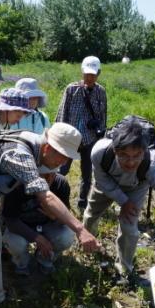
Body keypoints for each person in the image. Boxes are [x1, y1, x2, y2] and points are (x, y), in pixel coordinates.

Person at [0, 117, 101, 304]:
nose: (62, 164)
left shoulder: (31, 141)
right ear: (47, 148)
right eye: (62, 157)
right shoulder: (20, 155)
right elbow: (45, 196)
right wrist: (80, 229)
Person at [84, 117, 155, 276]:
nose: (130, 162)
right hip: (107, 183)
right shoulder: (100, 152)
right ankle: (89, 245)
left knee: (129, 228)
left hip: (136, 187)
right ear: (115, 150)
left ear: (144, 151)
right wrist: (123, 201)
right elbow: (101, 179)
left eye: (136, 155)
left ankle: (125, 269)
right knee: (90, 216)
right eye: (123, 155)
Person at [56, 55, 108, 211]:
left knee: (87, 174)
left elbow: (103, 116)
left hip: (90, 139)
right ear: (82, 72)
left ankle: (82, 203)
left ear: (98, 73)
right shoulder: (71, 89)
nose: (89, 77)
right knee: (61, 171)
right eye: (87, 74)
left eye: (93, 74)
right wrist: (58, 135)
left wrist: (101, 135)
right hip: (70, 138)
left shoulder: (101, 92)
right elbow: (62, 112)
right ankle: (57, 200)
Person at [2, 168, 75, 275]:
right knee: (15, 243)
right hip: (23, 226)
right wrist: (38, 238)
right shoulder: (17, 185)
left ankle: (45, 261)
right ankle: (22, 263)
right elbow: (11, 221)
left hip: (48, 225)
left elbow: (66, 217)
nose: (49, 178)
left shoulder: (61, 183)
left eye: (52, 174)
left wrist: (54, 216)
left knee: (67, 237)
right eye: (44, 175)